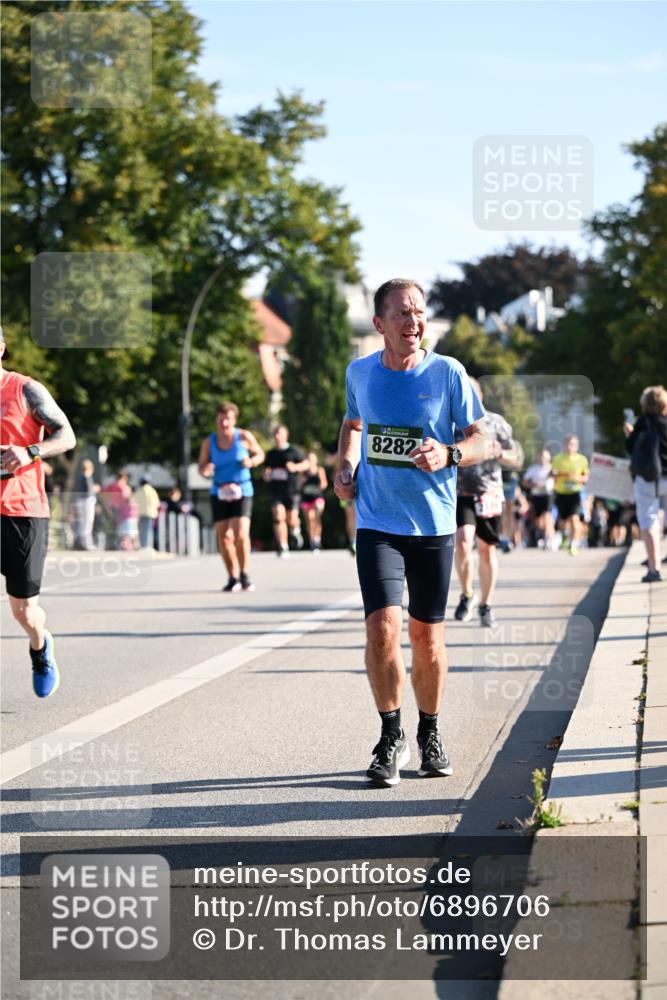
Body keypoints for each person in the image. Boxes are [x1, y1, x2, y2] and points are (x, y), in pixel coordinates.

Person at [334, 278, 488, 788]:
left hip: (434, 526)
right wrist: (344, 465)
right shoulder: (360, 373)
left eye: (418, 312)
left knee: (427, 640)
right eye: (401, 313)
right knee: (382, 629)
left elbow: (482, 437)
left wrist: (451, 454)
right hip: (378, 522)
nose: (412, 321)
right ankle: (389, 734)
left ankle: (430, 731)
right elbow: (353, 424)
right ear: (379, 324)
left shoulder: (448, 374)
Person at [0, 326, 76, 697]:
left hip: (23, 510)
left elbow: (67, 436)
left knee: (24, 610)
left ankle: (40, 645)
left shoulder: (25, 389)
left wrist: (29, 452)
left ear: (1, 348)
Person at [454, 378, 520, 627]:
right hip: (460, 492)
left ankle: (486, 604)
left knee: (486, 549)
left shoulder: (496, 422)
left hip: (489, 493)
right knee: (462, 543)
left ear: (480, 395)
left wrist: (501, 453)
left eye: (473, 393)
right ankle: (467, 594)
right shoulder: (452, 422)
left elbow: (515, 457)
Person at [198, 401, 264, 592]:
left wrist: (250, 461)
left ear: (234, 420)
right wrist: (206, 469)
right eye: (221, 419)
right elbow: (201, 466)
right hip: (219, 491)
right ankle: (232, 577)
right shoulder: (209, 442)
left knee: (240, 533)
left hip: (242, 490)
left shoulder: (243, 436)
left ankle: (244, 574)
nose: (224, 423)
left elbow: (260, 454)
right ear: (216, 420)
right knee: (223, 536)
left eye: (228, 419)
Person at [624, 385, 667, 582]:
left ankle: (654, 568)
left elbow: (631, 449)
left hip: (647, 479)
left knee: (649, 522)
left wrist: (629, 433)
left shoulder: (642, 423)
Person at [263, 424, 309, 557]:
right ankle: (283, 546)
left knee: (292, 518)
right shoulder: (271, 454)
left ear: (285, 435)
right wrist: (266, 475)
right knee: (278, 516)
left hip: (292, 490)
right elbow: (266, 470)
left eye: (280, 433)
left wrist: (295, 467)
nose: (277, 436)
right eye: (275, 433)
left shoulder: (293, 450)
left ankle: (295, 530)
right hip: (275, 490)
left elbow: (306, 464)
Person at [552, 434, 589, 556]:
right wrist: (565, 475)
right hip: (561, 493)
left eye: (573, 444)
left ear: (577, 446)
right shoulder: (557, 459)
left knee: (575, 519)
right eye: (568, 444)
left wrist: (577, 477)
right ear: (564, 445)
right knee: (563, 521)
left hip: (575, 493)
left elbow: (586, 477)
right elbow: (553, 475)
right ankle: (563, 535)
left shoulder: (582, 460)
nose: (570, 447)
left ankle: (573, 544)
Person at [522, 448, 556, 549]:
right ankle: (548, 534)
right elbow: (524, 481)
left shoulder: (552, 468)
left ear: (549, 458)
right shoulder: (533, 469)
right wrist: (533, 485)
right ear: (538, 457)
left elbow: (557, 479)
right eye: (541, 456)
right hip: (536, 496)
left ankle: (548, 539)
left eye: (545, 457)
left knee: (547, 516)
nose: (543, 459)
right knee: (538, 521)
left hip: (548, 495)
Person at [300, 452, 328, 552]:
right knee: (309, 519)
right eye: (308, 459)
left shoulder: (320, 470)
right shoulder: (303, 472)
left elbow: (324, 484)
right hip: (306, 498)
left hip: (317, 497)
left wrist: (319, 485)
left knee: (317, 516)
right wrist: (303, 480)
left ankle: (317, 539)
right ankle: (312, 540)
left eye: (312, 459)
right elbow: (299, 485)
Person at [74, 458, 98, 550]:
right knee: (88, 522)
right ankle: (87, 543)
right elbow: (89, 490)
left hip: (81, 501)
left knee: (82, 523)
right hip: (87, 501)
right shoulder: (87, 477)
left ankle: (83, 542)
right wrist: (94, 488)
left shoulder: (81, 477)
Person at [133, 475, 161, 549]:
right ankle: (148, 546)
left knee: (142, 530)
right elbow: (157, 503)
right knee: (149, 530)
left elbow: (134, 501)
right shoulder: (151, 491)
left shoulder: (138, 491)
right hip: (150, 513)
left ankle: (143, 545)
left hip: (140, 513)